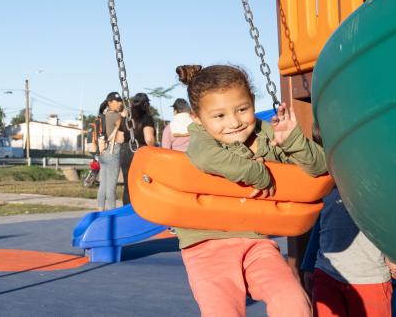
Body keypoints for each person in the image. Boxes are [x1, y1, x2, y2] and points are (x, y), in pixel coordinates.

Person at [174, 64, 327, 317]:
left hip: (256, 241)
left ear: (253, 102)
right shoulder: (202, 139)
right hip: (206, 245)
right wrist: (260, 174)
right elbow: (207, 159)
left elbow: (318, 168)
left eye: (242, 109)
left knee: (293, 302)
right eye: (219, 116)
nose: (234, 122)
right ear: (198, 119)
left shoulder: (265, 133)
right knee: (223, 311)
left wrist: (294, 142)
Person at [301, 183, 394, 315]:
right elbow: (321, 218)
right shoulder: (328, 173)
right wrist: (309, 263)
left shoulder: (379, 176)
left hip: (371, 279)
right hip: (326, 274)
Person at [118, 92, 156, 206]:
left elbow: (119, 139)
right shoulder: (147, 118)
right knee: (142, 183)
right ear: (146, 104)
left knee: (128, 184)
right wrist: (154, 147)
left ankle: (127, 210)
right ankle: (141, 210)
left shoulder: (126, 118)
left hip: (125, 151)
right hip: (140, 152)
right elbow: (149, 138)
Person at [96, 92, 125, 211]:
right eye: (116, 101)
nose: (119, 103)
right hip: (113, 151)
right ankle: (112, 214)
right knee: (111, 188)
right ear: (109, 103)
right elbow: (121, 138)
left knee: (103, 185)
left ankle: (100, 210)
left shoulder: (104, 115)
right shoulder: (116, 116)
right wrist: (123, 117)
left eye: (120, 101)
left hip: (103, 152)